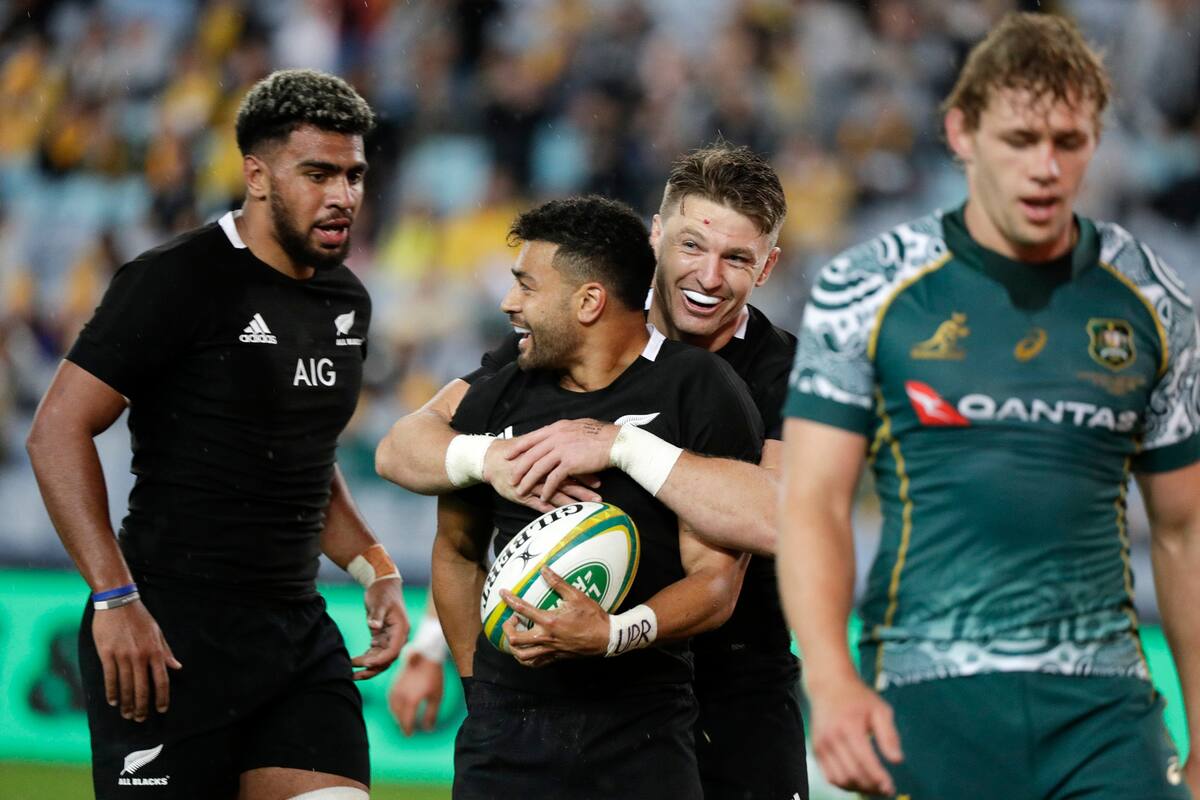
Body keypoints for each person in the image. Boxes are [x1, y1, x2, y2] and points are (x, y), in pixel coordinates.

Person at [779, 12, 1200, 799]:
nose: (1045, 167)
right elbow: (813, 500)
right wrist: (830, 681)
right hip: (925, 698)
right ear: (961, 132)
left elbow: (1184, 528)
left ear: (1096, 141)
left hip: (1104, 710)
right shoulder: (866, 289)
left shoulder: (1153, 298)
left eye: (1068, 142)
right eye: (1019, 139)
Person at [25, 69, 409, 800]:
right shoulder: (176, 279)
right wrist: (114, 599)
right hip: (169, 635)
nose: (343, 196)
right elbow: (56, 430)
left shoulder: (346, 300)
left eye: (354, 175)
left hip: (296, 638)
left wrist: (375, 568)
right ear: (256, 176)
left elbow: (301, 454)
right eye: (318, 174)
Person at [380, 144, 808, 799]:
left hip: (736, 687)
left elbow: (778, 520)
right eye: (692, 245)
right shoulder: (562, 340)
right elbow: (426, 458)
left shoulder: (788, 375)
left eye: (738, 258)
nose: (709, 276)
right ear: (656, 237)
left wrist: (622, 445)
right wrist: (447, 653)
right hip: (578, 698)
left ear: (768, 266)